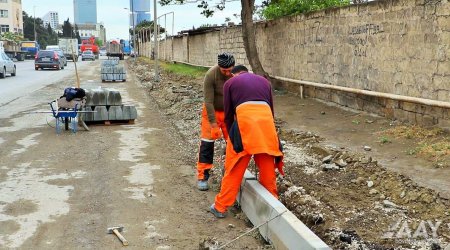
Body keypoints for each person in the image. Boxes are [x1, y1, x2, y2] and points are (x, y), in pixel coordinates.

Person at [210, 65, 284, 218]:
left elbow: (229, 114)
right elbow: (270, 110)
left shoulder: (230, 83)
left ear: (233, 74)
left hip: (245, 124)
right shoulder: (264, 82)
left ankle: (220, 207)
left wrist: (231, 138)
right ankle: (272, 209)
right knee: (267, 168)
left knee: (234, 167)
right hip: (266, 125)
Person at [196, 52, 235, 191]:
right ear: (219, 67)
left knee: (232, 143)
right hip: (211, 112)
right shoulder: (211, 75)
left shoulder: (234, 76)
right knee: (207, 143)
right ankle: (203, 176)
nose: (227, 72)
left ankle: (231, 174)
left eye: (229, 70)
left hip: (227, 114)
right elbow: (208, 101)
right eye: (224, 70)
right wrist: (213, 125)